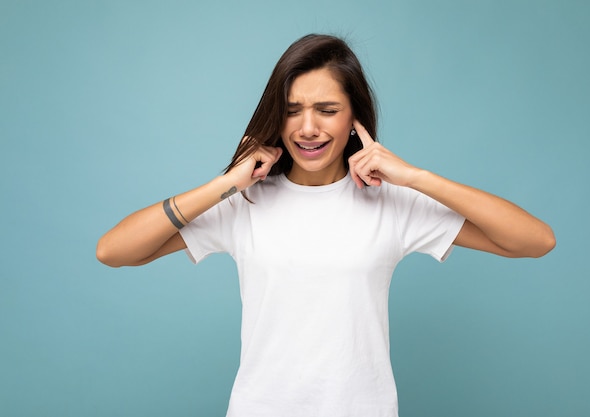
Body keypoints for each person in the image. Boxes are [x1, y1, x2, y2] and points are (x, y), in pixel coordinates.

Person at [97, 34, 555, 417]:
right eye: (292, 109)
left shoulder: (392, 204)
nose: (307, 128)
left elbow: (535, 241)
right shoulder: (243, 202)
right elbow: (114, 251)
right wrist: (225, 183)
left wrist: (415, 176)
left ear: (355, 117)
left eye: (327, 110)